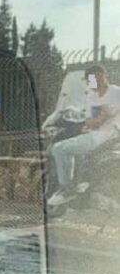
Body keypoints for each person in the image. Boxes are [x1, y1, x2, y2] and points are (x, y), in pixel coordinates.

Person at [48, 64, 120, 206]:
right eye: (87, 81)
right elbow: (90, 121)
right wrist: (103, 117)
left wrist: (101, 119)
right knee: (74, 150)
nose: (88, 83)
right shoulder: (92, 97)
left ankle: (68, 189)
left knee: (58, 148)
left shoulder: (116, 92)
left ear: (100, 75)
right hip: (97, 134)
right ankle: (82, 188)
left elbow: (97, 122)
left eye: (90, 80)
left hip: (106, 136)